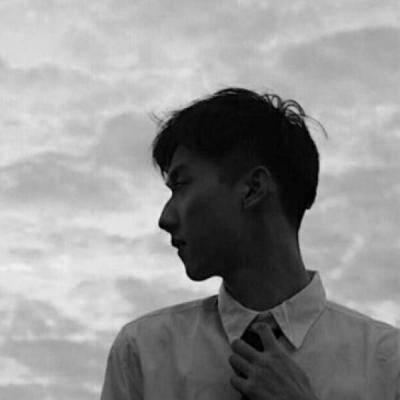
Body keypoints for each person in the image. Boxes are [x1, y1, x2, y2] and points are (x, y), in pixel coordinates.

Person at [101, 88, 400, 400]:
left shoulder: (389, 365)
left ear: (253, 188)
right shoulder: (143, 353)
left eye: (181, 184)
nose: (165, 218)